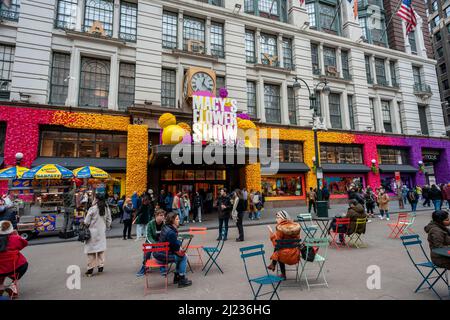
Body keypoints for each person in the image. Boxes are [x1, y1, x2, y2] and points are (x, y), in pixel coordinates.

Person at [153, 212, 192, 288]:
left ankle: (177, 277)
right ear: (172, 221)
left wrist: (179, 246)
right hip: (162, 256)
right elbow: (175, 248)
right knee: (183, 257)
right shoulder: (171, 232)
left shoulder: (166, 227)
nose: (179, 220)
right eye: (177, 219)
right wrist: (181, 247)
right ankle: (181, 279)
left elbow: (172, 244)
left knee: (180, 255)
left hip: (159, 253)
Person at [266, 210, 301, 280]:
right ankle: (273, 264)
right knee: (279, 248)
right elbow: (298, 239)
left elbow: (276, 244)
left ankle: (282, 273)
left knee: (278, 250)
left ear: (282, 218)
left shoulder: (280, 229)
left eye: (278, 217)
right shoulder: (294, 227)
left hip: (285, 256)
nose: (276, 219)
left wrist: (271, 233)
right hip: (295, 254)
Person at [83, 194, 112, 277]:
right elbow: (109, 220)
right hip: (101, 232)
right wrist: (106, 227)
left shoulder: (92, 208)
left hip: (92, 233)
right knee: (101, 250)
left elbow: (86, 221)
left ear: (96, 199)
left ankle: (90, 269)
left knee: (91, 251)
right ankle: (100, 266)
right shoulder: (106, 208)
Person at [0, 220, 28, 298]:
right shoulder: (15, 238)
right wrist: (17, 235)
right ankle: (13, 285)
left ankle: (1, 287)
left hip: (1, 270)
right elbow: (24, 244)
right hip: (14, 268)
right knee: (24, 263)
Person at [136, 209, 166, 277]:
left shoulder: (164, 224)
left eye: (163, 215)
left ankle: (162, 266)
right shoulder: (150, 224)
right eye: (161, 215)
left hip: (160, 242)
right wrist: (154, 244)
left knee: (162, 250)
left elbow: (165, 235)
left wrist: (160, 243)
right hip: (150, 242)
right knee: (147, 251)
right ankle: (144, 266)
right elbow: (148, 236)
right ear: (156, 216)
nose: (163, 217)